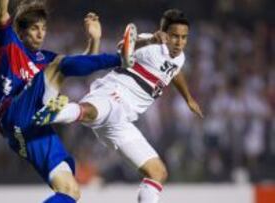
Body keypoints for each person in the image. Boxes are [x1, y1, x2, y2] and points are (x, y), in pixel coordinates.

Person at [35, 9, 204, 203]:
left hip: (123, 120)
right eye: (175, 36)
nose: (180, 42)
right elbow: (122, 46)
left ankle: (59, 112)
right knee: (94, 111)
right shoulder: (152, 42)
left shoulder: (179, 57)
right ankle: (55, 112)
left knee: (158, 172)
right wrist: (149, 41)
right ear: (164, 33)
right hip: (114, 93)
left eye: (184, 38)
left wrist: (188, 98)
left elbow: (175, 71)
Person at [0, 0, 136, 202]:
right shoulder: (9, 44)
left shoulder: (46, 58)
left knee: (70, 190)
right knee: (58, 66)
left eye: (43, 28)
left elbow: (78, 64)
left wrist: (94, 40)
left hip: (33, 127)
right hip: (13, 114)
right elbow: (0, 11)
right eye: (34, 29)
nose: (41, 34)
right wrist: (119, 60)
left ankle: (52, 111)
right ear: (21, 32)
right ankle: (120, 59)